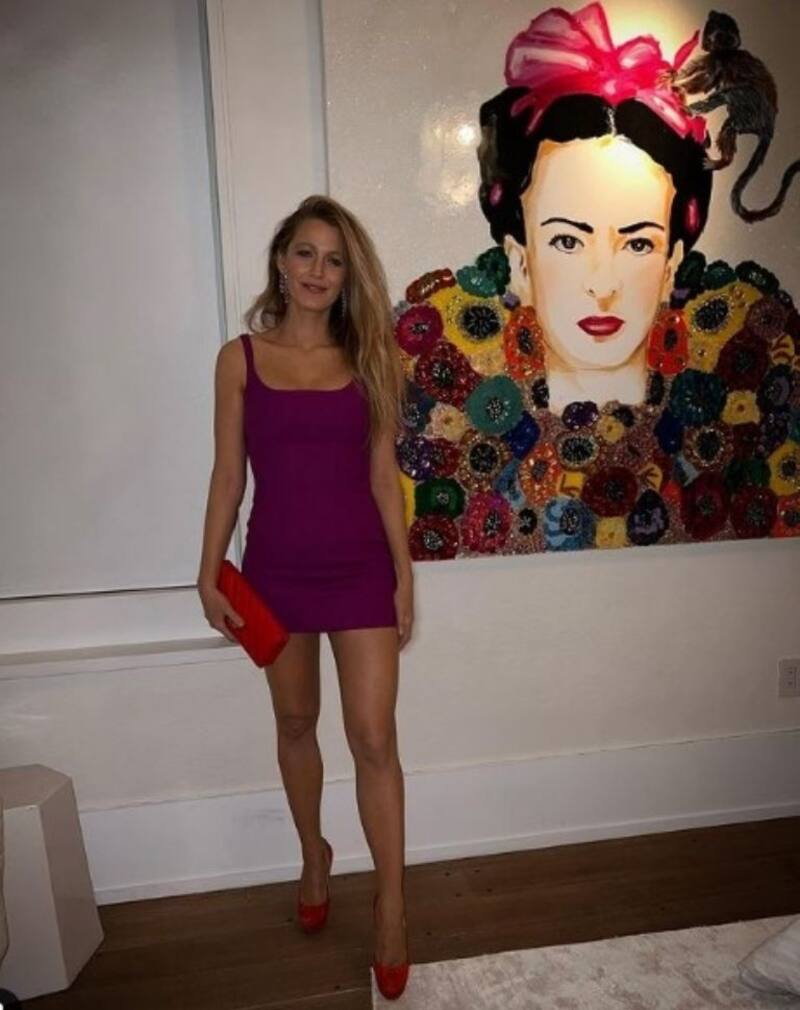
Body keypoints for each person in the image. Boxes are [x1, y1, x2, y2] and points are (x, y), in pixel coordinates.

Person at [395, 1, 799, 557]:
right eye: (567, 241)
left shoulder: (748, 391)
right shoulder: (441, 395)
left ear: (672, 265)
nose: (602, 284)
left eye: (637, 243)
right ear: (519, 259)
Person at [197, 195, 413, 999]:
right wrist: (208, 571)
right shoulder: (239, 360)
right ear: (281, 263)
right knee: (295, 724)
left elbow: (383, 477)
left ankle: (391, 908)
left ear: (348, 275)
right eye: (305, 253)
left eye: (335, 259)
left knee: (374, 738)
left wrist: (404, 575)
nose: (319, 271)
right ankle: (313, 856)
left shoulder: (370, 358)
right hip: (277, 573)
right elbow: (228, 475)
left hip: (359, 570)